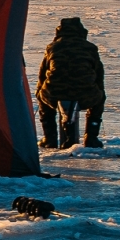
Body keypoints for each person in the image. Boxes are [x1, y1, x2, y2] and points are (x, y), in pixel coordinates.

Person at [36, 18, 106, 148]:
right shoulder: (90, 48)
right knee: (99, 99)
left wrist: (39, 92)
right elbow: (99, 76)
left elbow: (42, 76)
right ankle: (91, 137)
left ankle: (49, 138)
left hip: (54, 94)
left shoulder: (52, 48)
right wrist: (99, 93)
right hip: (85, 94)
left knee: (42, 97)